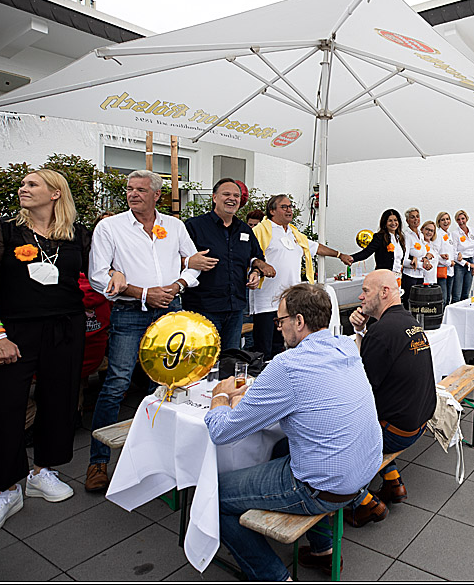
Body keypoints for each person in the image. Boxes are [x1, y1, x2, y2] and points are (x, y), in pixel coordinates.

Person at [0, 169, 111, 539]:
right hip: (13, 331)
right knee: (6, 408)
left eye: (32, 184)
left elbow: (95, 276)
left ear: (55, 194)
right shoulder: (3, 231)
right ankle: (6, 489)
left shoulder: (77, 235)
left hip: (65, 329)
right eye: (23, 184)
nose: (23, 188)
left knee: (60, 401)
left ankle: (42, 471)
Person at [206, 283, 383, 581]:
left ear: (299, 321)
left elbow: (223, 432)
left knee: (213, 496)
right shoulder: (345, 347)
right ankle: (323, 549)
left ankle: (275, 577)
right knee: (280, 448)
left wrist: (220, 397)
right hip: (364, 470)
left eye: (280, 321)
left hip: (324, 487)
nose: (278, 329)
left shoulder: (286, 365)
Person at [85, 169, 201, 493]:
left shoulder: (174, 226)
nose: (133, 194)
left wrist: (178, 284)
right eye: (130, 189)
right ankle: (98, 461)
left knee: (167, 383)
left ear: (156, 195)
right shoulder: (110, 227)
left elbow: (191, 264)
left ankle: (161, 458)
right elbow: (97, 275)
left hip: (170, 311)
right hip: (129, 311)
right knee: (117, 383)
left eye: (140, 190)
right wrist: (142, 292)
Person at [346, 270, 437, 526]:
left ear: (384, 292)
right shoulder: (407, 321)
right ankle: (392, 479)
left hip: (397, 431)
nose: (360, 296)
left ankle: (361, 503)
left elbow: (360, 387)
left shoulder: (382, 332)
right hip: (419, 423)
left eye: (365, 291)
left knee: (334, 432)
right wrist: (361, 330)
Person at [247, 194, 350, 358]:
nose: (289, 210)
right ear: (272, 211)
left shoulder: (295, 234)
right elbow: (250, 256)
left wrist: (339, 254)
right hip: (266, 302)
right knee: (263, 351)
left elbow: (315, 248)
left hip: (289, 302)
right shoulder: (260, 231)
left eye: (290, 207)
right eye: (284, 207)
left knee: (284, 348)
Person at [184, 179, 276, 350]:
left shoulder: (244, 230)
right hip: (203, 308)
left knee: (230, 361)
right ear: (214, 197)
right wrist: (188, 261)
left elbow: (256, 256)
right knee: (203, 362)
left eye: (236, 195)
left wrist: (256, 271)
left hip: (235, 309)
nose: (232, 198)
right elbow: (174, 258)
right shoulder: (194, 226)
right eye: (226, 194)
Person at [352, 209, 407, 277]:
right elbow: (366, 252)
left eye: (395, 220)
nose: (393, 223)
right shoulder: (379, 237)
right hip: (383, 276)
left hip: (398, 276)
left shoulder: (400, 238)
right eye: (390, 220)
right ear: (385, 223)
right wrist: (351, 258)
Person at [450, 210, 474, 303]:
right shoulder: (455, 234)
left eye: (463, 219)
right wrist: (466, 263)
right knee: (456, 295)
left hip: (471, 263)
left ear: (467, 219)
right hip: (460, 265)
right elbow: (453, 254)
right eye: (458, 219)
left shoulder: (472, 231)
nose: (461, 221)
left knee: (466, 294)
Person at [401, 207, 426, 301]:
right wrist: (420, 264)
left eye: (417, 216)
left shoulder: (421, 234)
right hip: (410, 276)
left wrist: (426, 259)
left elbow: (422, 253)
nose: (416, 219)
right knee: (410, 302)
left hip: (420, 275)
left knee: (419, 303)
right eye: (412, 217)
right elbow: (403, 260)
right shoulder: (406, 235)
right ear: (407, 221)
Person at [434, 211, 456, 304]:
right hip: (442, 270)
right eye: (442, 220)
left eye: (447, 219)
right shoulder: (438, 235)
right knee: (443, 298)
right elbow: (435, 254)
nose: (445, 221)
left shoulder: (449, 234)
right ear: (438, 222)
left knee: (448, 298)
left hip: (450, 271)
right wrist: (448, 262)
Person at [420, 221, 440, 285]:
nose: (429, 232)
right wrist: (426, 257)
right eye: (427, 229)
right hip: (423, 280)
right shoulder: (420, 243)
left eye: (431, 231)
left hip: (432, 280)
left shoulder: (432, 245)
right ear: (422, 229)